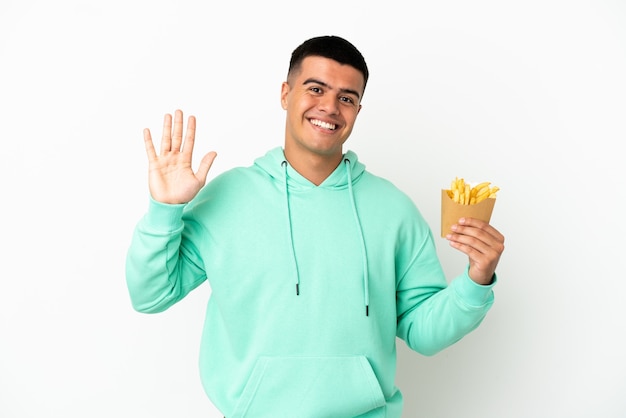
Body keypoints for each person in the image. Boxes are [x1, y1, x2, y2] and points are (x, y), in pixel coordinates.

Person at [125, 35, 505, 418]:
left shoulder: (394, 210)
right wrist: (165, 210)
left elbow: (423, 333)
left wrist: (476, 282)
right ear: (285, 94)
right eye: (316, 89)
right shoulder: (227, 198)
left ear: (358, 109)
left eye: (347, 97)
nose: (330, 107)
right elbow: (151, 295)